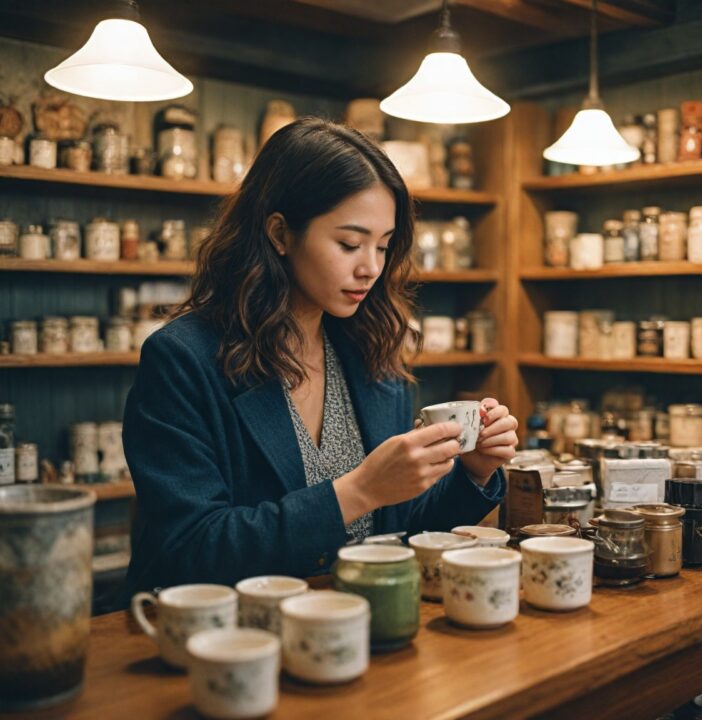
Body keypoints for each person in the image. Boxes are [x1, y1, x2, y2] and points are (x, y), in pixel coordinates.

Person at [122, 118, 518, 593]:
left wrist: (473, 473)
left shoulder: (371, 349)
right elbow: (189, 550)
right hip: (234, 642)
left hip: (359, 625)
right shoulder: (183, 359)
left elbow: (399, 531)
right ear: (280, 233)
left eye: (384, 246)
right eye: (349, 243)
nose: (371, 267)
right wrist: (358, 491)